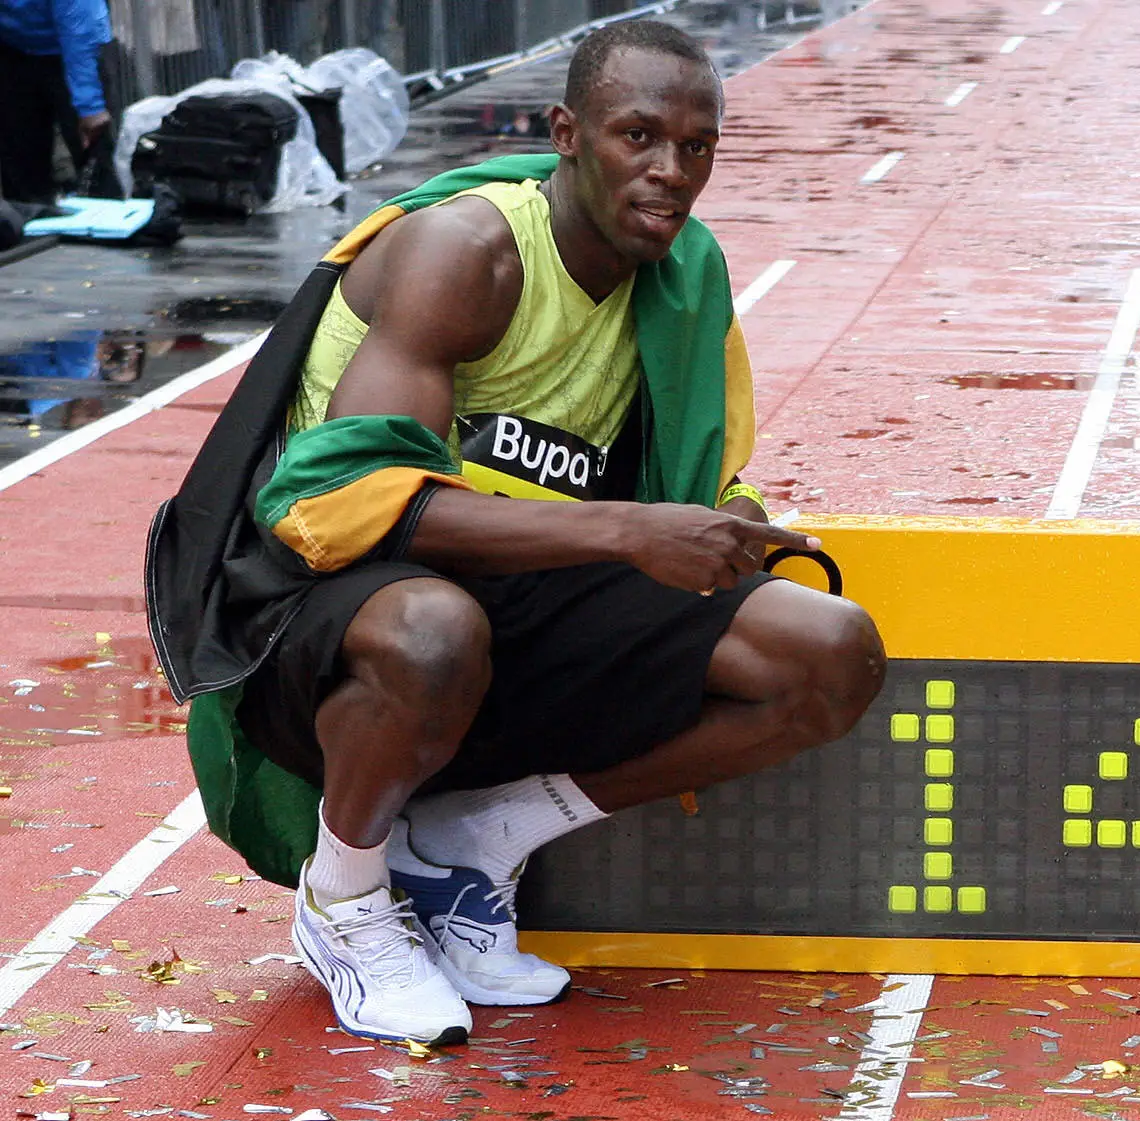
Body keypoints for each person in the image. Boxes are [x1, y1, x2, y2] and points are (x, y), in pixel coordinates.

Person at [144, 20, 885, 1046]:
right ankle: (345, 897)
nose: (669, 172)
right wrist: (629, 531)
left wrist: (732, 524)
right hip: (328, 598)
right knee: (432, 628)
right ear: (567, 133)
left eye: (696, 145)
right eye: (638, 137)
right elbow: (342, 501)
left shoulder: (684, 275)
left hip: (527, 589)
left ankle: (480, 835)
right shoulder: (467, 251)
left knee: (826, 653)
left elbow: (708, 474)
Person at [0, 0, 113, 204]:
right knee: (20, 167)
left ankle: (107, 218)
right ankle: (29, 220)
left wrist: (90, 106)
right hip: (12, 46)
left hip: (74, 48)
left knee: (93, 152)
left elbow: (80, 31)